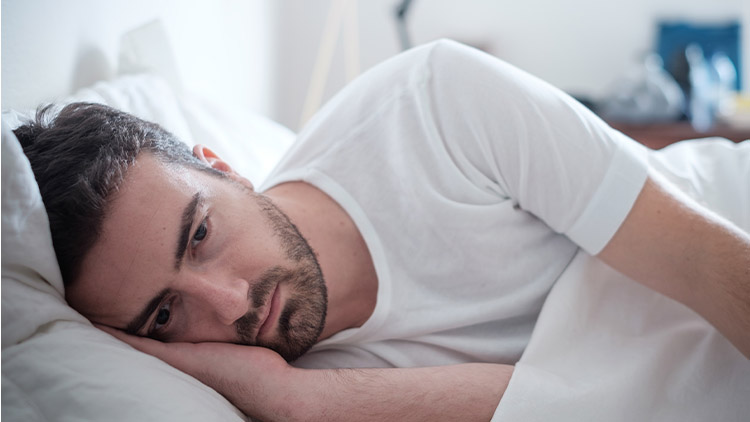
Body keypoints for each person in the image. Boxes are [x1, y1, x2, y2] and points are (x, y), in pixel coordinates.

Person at [16, 40, 750, 421]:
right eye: (166, 314)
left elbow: (706, 262)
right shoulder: (273, 376)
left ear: (223, 165)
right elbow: (565, 402)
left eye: (200, 234)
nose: (231, 303)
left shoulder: (434, 104)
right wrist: (292, 402)